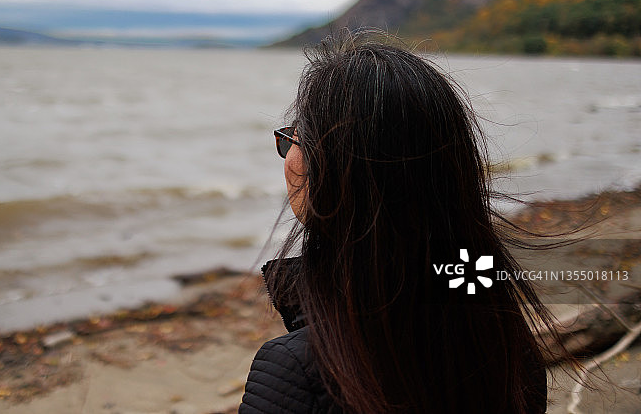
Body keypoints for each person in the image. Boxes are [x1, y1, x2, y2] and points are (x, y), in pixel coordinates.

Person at [239, 29, 559, 413]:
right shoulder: (504, 334)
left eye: (296, 138)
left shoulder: (296, 370)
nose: (289, 153)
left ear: (341, 173)